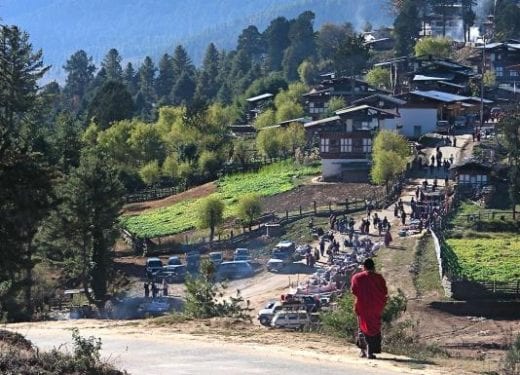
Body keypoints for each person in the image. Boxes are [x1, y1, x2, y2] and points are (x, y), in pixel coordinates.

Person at [351, 258, 388, 359]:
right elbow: (384, 292)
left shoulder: (356, 277)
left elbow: (353, 291)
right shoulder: (379, 278)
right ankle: (370, 352)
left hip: (362, 307)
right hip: (376, 307)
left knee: (362, 327)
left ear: (364, 267)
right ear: (374, 267)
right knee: (374, 328)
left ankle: (363, 351)